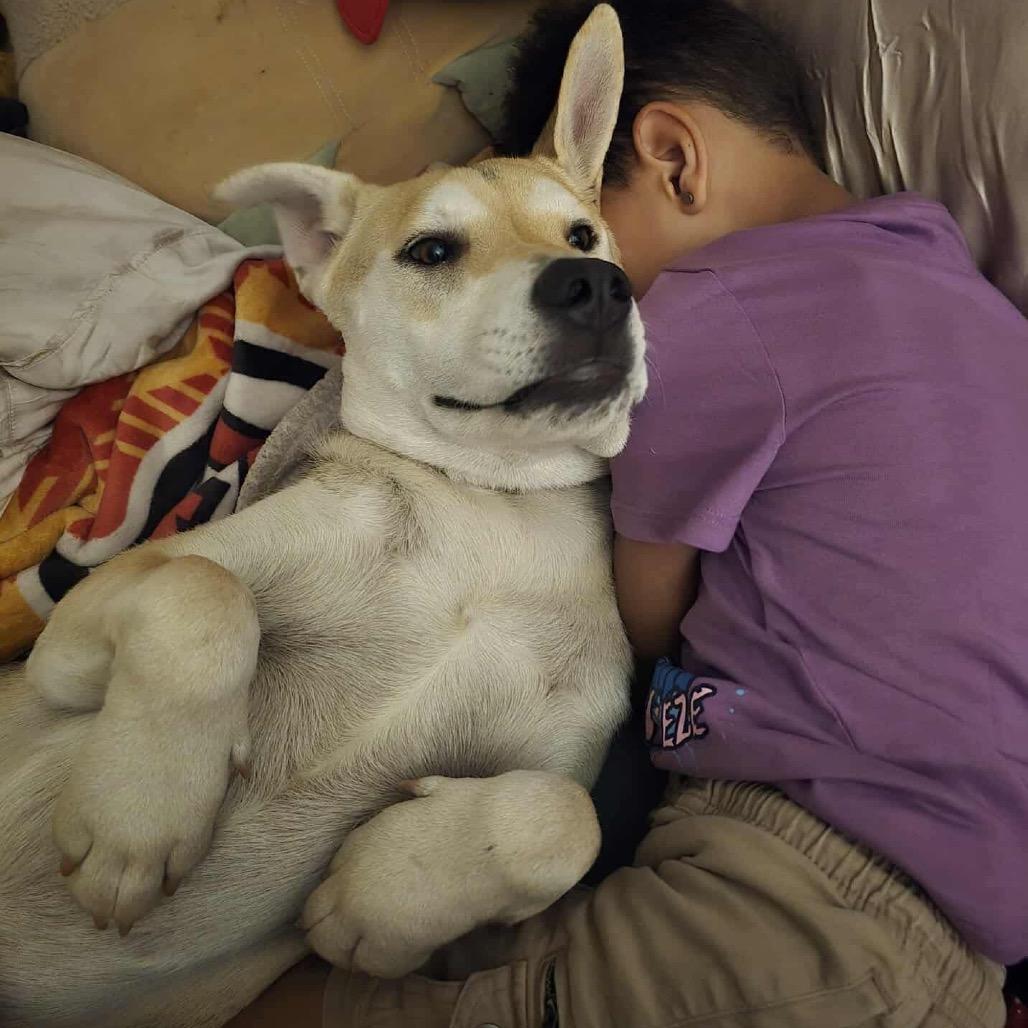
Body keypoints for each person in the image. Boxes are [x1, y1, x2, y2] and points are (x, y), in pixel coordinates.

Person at [234, 2, 1028, 1024]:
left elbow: (646, 613)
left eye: (575, 242)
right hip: (966, 934)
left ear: (667, 156)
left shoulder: (707, 307)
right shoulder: (966, 290)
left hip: (798, 887)